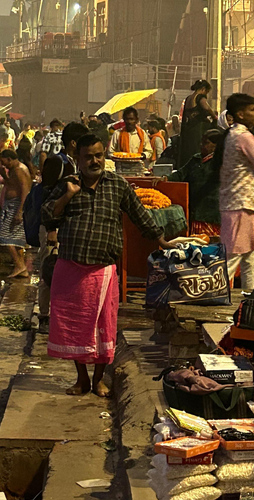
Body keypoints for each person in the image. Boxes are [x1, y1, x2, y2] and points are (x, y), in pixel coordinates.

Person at [42, 133, 174, 397]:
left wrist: (163, 241)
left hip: (102, 270)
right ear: (78, 159)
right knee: (76, 327)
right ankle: (81, 380)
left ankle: (99, 380)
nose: (95, 161)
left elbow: (140, 215)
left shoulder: (117, 185)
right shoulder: (67, 184)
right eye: (88, 156)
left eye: (99, 155)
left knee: (104, 327)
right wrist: (67, 196)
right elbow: (47, 216)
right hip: (71, 268)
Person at [214, 93, 254, 292]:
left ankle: (249, 294)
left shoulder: (231, 135)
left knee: (249, 254)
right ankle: (216, 295)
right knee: (234, 255)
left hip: (235, 202)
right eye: (253, 110)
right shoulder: (244, 137)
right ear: (240, 113)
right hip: (240, 202)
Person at [35, 156, 70, 334]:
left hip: (63, 229)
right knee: (48, 273)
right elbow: (47, 208)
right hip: (52, 230)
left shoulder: (67, 164)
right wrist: (52, 229)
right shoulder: (59, 169)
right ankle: (44, 316)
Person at [169, 129, 225, 236]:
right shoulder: (196, 159)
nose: (201, 145)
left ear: (216, 145)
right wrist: (166, 179)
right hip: (196, 211)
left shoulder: (220, 162)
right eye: (202, 142)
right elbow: (180, 174)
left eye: (206, 143)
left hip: (212, 213)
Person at [0, 150, 32, 279]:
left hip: (17, 206)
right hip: (12, 205)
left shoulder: (19, 170)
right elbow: (13, 185)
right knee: (14, 238)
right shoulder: (14, 170)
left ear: (10, 159)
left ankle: (19, 265)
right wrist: (4, 176)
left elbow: (25, 190)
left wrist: (20, 211)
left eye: (4, 161)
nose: (3, 164)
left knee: (4, 236)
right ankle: (22, 269)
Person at [178, 80, 216, 168]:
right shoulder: (199, 97)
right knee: (196, 150)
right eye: (207, 92)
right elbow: (206, 107)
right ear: (203, 89)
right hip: (197, 130)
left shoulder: (188, 98)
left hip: (187, 131)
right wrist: (214, 116)